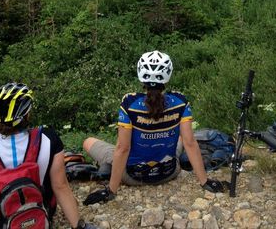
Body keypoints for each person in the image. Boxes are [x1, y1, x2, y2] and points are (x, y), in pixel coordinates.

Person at [83, 50, 226, 204]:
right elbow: (190, 143)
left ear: (140, 74)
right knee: (181, 137)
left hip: (132, 176)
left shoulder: (129, 103)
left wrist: (111, 191)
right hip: (169, 172)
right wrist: (205, 182)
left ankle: (109, 170)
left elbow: (122, 148)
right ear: (168, 75)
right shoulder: (180, 101)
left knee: (88, 141)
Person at [0, 82, 97, 229]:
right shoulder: (48, 139)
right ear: (26, 114)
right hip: (39, 214)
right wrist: (80, 226)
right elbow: (60, 186)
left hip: (0, 222)